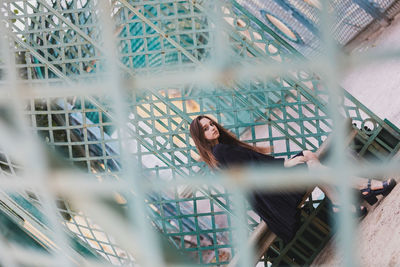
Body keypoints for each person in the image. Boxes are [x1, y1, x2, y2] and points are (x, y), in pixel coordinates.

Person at [189, 115, 396, 243]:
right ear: (201, 136)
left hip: (269, 186)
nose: (212, 128)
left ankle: (340, 202)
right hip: (271, 193)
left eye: (211, 124)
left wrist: (284, 163)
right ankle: (366, 186)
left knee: (308, 157)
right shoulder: (221, 151)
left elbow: (256, 162)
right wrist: (285, 164)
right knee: (310, 164)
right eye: (206, 128)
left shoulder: (221, 150)